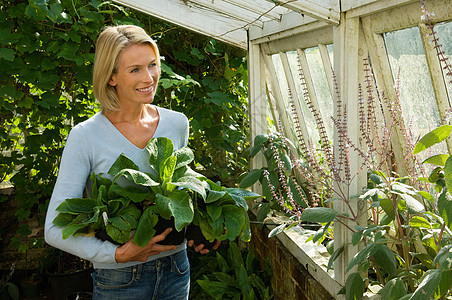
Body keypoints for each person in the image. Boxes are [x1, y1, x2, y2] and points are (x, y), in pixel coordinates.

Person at [44, 25, 218, 300]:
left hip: (176, 269)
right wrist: (116, 254)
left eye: (152, 65)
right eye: (134, 69)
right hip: (120, 279)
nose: (149, 77)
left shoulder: (176, 124)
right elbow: (53, 230)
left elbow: (181, 192)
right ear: (111, 77)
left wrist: (205, 228)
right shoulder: (85, 137)